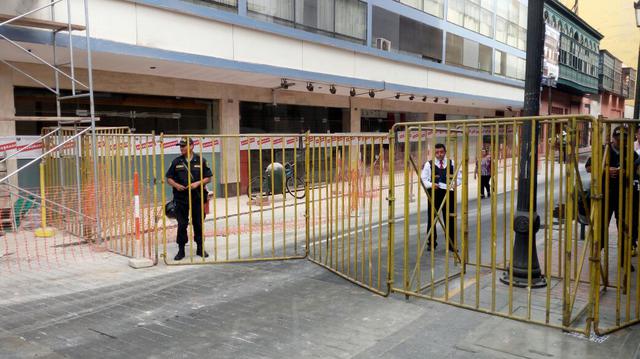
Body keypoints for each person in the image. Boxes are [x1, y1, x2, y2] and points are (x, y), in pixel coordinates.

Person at [586, 126, 639, 274]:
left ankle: (624, 258)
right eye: (618, 138)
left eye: (624, 139)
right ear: (614, 138)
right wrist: (605, 170)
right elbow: (588, 167)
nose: (621, 142)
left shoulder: (631, 153)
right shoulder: (603, 150)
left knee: (624, 229)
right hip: (605, 196)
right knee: (601, 227)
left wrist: (626, 172)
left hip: (624, 197)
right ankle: (596, 257)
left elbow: (637, 171)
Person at [166, 138, 213, 261]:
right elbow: (169, 178)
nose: (181, 148)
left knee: (198, 223)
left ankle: (200, 248)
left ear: (192, 146)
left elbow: (208, 177)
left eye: (184, 146)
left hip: (197, 197)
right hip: (181, 198)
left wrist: (197, 183)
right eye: (180, 146)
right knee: (182, 224)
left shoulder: (201, 161)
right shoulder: (176, 162)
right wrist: (176, 185)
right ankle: (181, 250)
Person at [421, 143, 462, 251]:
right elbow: (423, 179)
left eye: (441, 152)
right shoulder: (428, 165)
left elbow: (459, 177)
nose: (439, 154)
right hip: (434, 194)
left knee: (450, 219)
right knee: (432, 219)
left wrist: (455, 183)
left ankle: (451, 244)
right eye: (437, 152)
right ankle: (432, 243)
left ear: (445, 152)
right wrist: (431, 185)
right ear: (434, 153)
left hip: (449, 194)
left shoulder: (452, 163)